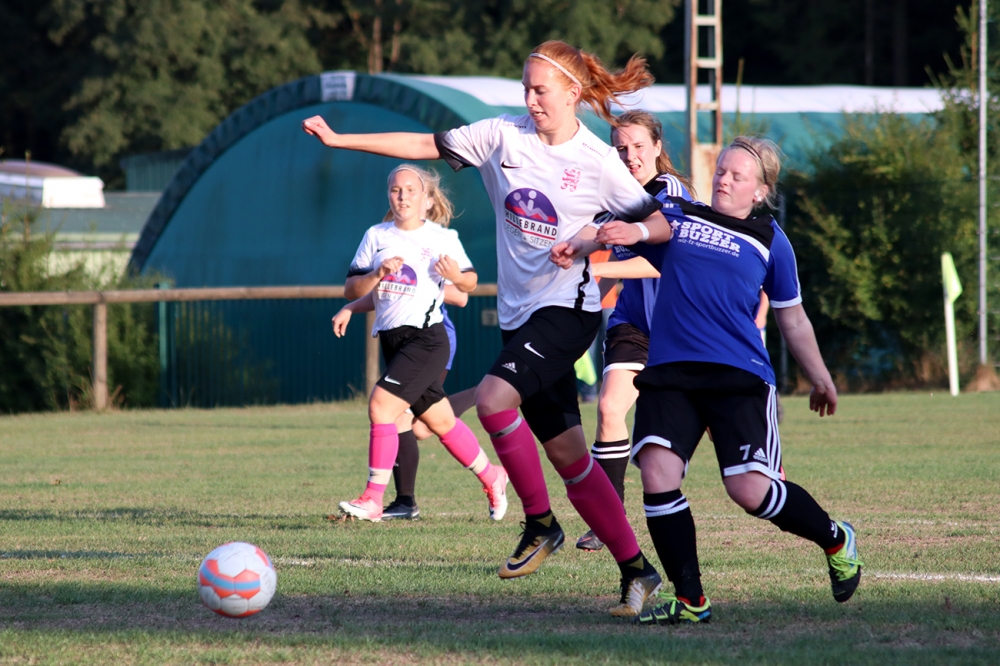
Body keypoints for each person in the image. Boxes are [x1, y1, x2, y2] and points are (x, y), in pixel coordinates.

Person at [303, 39, 667, 618]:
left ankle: (540, 525)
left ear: (573, 94)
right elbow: (424, 144)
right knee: (573, 458)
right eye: (524, 88)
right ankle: (638, 571)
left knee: (495, 402)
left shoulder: (597, 160)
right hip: (520, 315)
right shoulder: (502, 134)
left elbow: (654, 222)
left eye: (540, 90)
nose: (530, 99)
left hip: (568, 313)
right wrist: (341, 139)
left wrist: (602, 237)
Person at [594, 136, 862, 625]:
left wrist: (820, 377)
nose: (723, 179)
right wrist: (628, 233)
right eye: (721, 170)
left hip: (738, 376)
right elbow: (651, 226)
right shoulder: (681, 214)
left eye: (738, 176)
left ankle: (835, 537)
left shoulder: (771, 239)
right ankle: (692, 599)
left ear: (760, 190)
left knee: (749, 492)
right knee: (656, 472)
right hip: (671, 372)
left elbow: (793, 318)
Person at [330, 163, 509, 523]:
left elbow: (470, 283)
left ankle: (373, 498)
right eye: (396, 190)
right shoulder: (376, 235)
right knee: (439, 422)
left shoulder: (442, 238)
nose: (403, 196)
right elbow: (352, 287)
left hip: (427, 339)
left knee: (382, 407)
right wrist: (374, 278)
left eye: (411, 190)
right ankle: (493, 476)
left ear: (427, 200)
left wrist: (455, 275)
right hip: (394, 341)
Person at [573, 110, 695, 553]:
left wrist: (599, 264)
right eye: (621, 148)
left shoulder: (671, 193)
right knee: (608, 409)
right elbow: (586, 232)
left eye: (639, 147)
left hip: (681, 330)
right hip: (634, 324)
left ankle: (766, 477)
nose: (630, 156)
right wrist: (567, 247)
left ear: (658, 148)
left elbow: (659, 264)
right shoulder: (614, 193)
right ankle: (609, 521)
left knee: (711, 425)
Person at [334, 288, 468, 521]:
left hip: (429, 341)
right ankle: (405, 502)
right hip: (403, 343)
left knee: (411, 423)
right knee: (413, 425)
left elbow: (460, 296)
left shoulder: (430, 251)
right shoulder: (389, 254)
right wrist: (351, 306)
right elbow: (381, 292)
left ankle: (481, 393)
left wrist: (416, 287)